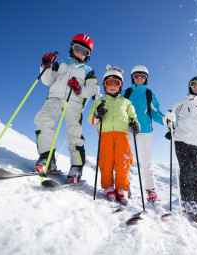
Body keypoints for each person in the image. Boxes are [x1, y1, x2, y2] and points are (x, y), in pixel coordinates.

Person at [33, 34, 100, 184]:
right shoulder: (61, 63)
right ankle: (47, 158)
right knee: (43, 121)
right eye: (78, 49)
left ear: (88, 56)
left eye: (84, 52)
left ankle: (76, 167)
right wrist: (45, 66)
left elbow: (93, 89)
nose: (80, 54)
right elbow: (47, 80)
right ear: (71, 48)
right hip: (55, 98)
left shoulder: (88, 70)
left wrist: (79, 89)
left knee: (74, 132)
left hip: (74, 102)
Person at [88, 65, 140, 205]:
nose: (112, 86)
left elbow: (132, 117)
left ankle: (122, 188)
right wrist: (97, 114)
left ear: (120, 86)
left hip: (122, 135)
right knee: (106, 161)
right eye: (108, 83)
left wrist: (134, 123)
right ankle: (108, 187)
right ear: (104, 85)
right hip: (105, 135)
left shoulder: (126, 102)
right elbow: (91, 120)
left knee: (123, 161)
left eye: (116, 83)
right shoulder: (99, 102)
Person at [163, 76, 197, 221]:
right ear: (189, 86)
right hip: (181, 140)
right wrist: (169, 129)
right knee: (187, 170)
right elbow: (170, 118)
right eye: (193, 84)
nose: (196, 86)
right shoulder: (180, 103)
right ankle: (188, 201)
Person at [121, 65, 168, 203]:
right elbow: (119, 109)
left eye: (143, 76)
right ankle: (125, 186)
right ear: (132, 78)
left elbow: (155, 112)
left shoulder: (149, 94)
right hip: (128, 130)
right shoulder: (126, 92)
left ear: (146, 78)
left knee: (146, 162)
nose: (140, 79)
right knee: (125, 160)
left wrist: (165, 119)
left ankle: (151, 190)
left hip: (145, 132)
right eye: (137, 76)